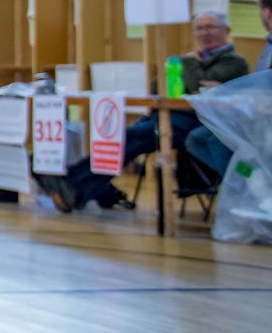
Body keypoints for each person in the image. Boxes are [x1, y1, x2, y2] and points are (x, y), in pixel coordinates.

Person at [45, 12, 248, 211]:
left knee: (134, 136)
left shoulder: (235, 63)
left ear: (226, 31)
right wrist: (191, 80)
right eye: (199, 28)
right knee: (123, 138)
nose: (205, 33)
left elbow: (196, 86)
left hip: (201, 123)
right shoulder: (185, 61)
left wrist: (189, 65)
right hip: (170, 115)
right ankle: (78, 187)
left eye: (210, 27)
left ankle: (73, 182)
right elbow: (156, 88)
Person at [187, 0, 272, 176]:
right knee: (198, 138)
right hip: (267, 119)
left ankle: (255, 184)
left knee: (218, 142)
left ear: (267, 12)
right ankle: (248, 178)